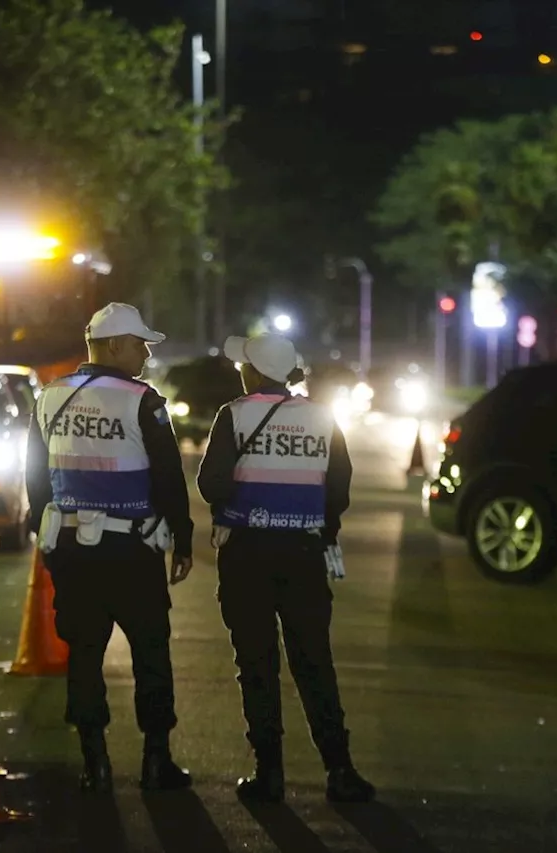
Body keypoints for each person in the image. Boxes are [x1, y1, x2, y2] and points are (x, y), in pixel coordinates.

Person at [197, 332, 375, 804]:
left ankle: (269, 774)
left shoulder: (233, 415)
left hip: (247, 556)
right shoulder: (322, 418)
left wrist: (249, 498)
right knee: (314, 661)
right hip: (303, 554)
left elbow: (211, 485)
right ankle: (340, 769)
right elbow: (339, 489)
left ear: (254, 372)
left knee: (256, 663)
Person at [25, 302, 194, 794]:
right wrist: (182, 539)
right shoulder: (143, 401)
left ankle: (93, 761)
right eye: (140, 344)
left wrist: (47, 536)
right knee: (150, 652)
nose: (144, 354)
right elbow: (168, 476)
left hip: (73, 550)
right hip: (132, 552)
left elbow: (35, 479)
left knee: (83, 653)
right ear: (115, 345)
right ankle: (156, 761)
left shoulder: (49, 397)